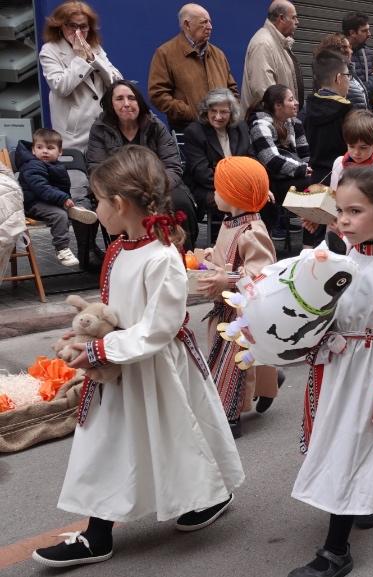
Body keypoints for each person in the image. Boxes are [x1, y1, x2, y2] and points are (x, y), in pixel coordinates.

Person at [31, 145, 243, 569]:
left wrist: (99, 349)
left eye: (97, 201)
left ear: (119, 204)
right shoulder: (121, 247)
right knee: (113, 442)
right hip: (120, 365)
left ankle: (203, 498)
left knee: (173, 436)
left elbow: (157, 328)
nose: (95, 209)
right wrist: (88, 329)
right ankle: (100, 531)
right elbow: (114, 310)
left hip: (154, 368)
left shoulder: (161, 257)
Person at [289, 164, 373, 577]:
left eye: (354, 212)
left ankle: (335, 551)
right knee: (350, 437)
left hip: (372, 372)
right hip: (342, 365)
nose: (344, 220)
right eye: (341, 210)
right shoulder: (348, 255)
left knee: (348, 445)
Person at [199, 156, 278, 438]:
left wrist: (228, 278)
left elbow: (261, 273)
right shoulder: (230, 222)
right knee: (229, 355)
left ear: (233, 195)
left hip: (241, 312)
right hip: (226, 306)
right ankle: (268, 377)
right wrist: (210, 258)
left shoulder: (252, 231)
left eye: (218, 189)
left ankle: (229, 414)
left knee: (230, 361)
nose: (215, 194)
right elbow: (226, 255)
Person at [87, 80, 199, 250]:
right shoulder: (100, 129)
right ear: (110, 104)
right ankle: (130, 254)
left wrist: (155, 189)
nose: (126, 104)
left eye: (131, 98)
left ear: (139, 102)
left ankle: (184, 255)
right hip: (122, 190)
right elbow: (97, 169)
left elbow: (173, 166)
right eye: (119, 99)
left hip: (161, 185)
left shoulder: (155, 126)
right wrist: (131, 191)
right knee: (123, 207)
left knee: (180, 202)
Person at [39, 0, 123, 151]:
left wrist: (92, 59)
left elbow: (117, 82)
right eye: (72, 26)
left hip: (105, 126)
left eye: (83, 26)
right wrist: (80, 60)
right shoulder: (49, 50)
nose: (78, 32)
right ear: (60, 26)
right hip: (74, 133)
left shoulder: (95, 48)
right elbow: (60, 87)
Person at [149, 3, 239, 132]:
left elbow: (232, 90)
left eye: (210, 22)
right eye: (204, 22)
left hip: (221, 130)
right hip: (189, 131)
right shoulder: (165, 54)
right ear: (187, 25)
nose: (210, 27)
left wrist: (228, 113)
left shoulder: (218, 54)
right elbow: (158, 94)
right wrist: (191, 112)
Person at [15, 129, 97, 268]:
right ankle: (62, 249)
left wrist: (64, 199)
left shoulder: (54, 165)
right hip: (34, 202)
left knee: (84, 201)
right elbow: (41, 188)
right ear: (33, 150)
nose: (45, 151)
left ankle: (77, 209)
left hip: (50, 200)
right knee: (59, 215)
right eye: (40, 147)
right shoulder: (32, 165)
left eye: (50, 148)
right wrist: (62, 199)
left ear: (60, 152)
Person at [183, 88, 254, 244]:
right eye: (213, 111)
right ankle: (224, 244)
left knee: (263, 198)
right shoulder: (195, 132)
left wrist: (253, 184)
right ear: (206, 111)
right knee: (231, 201)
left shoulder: (240, 128)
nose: (218, 116)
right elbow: (201, 172)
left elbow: (250, 160)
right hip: (206, 187)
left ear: (232, 113)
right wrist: (233, 188)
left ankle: (252, 242)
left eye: (224, 112)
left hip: (239, 184)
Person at [303, 49, 353, 248]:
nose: (349, 81)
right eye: (348, 76)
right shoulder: (347, 110)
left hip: (313, 178)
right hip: (339, 179)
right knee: (336, 240)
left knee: (310, 236)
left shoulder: (307, 107)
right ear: (339, 78)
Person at [248, 83, 311, 241]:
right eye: (291, 99)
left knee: (319, 186)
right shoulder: (260, 125)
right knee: (313, 188)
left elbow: (305, 154)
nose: (296, 102)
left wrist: (309, 168)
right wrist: (302, 169)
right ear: (278, 105)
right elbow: (271, 160)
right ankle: (309, 243)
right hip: (271, 182)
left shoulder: (295, 123)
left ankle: (312, 242)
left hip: (290, 178)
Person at [241, 0, 304, 112]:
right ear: (281, 18)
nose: (297, 22)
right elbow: (263, 91)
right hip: (267, 123)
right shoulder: (263, 44)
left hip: (280, 122)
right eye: (294, 17)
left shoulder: (280, 43)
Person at [329, 110, 373, 190]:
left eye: (363, 147)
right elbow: (334, 194)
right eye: (351, 146)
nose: (356, 153)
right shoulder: (339, 164)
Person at [343, 12, 373, 106]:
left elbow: (366, 92)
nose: (369, 34)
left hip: (365, 113)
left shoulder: (367, 52)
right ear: (352, 33)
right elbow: (350, 95)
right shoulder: (337, 54)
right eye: (364, 31)